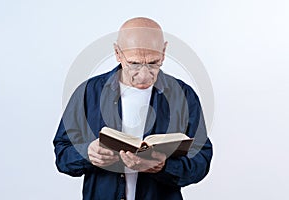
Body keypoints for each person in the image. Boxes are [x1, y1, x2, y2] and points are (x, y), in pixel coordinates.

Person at [53, 17, 213, 200]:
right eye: (135, 64)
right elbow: (62, 154)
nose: (144, 75)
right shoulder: (88, 92)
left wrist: (165, 167)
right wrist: (87, 153)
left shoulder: (183, 95)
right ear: (117, 53)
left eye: (153, 63)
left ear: (164, 52)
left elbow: (202, 159)